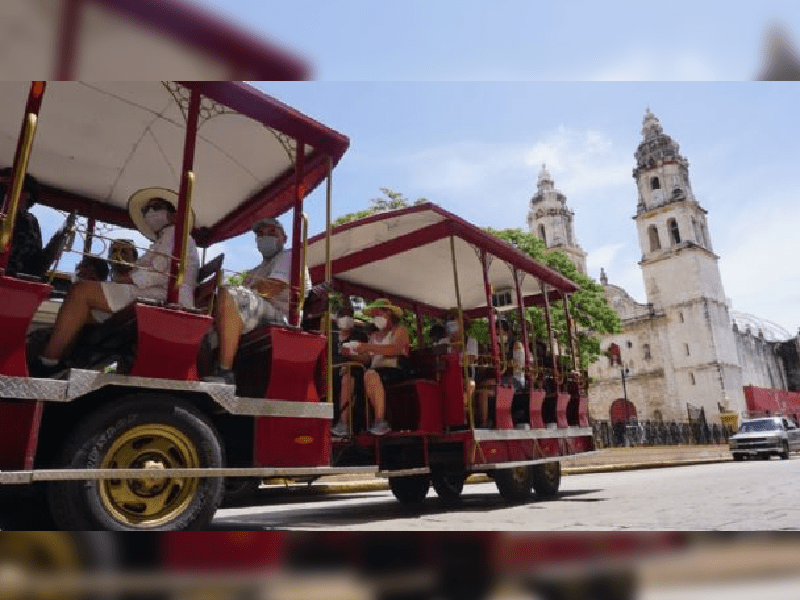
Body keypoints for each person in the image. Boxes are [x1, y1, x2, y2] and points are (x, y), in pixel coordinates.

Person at [31, 188, 199, 377]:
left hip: (166, 297)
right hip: (154, 294)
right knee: (82, 313)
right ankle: (63, 362)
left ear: (175, 215)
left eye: (157, 207)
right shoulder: (164, 239)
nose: (150, 213)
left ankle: (47, 363)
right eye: (146, 210)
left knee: (81, 291)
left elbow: (166, 274)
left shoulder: (177, 235)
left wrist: (130, 278)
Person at [203, 217, 310, 385]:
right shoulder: (256, 269)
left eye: (272, 233)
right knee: (209, 316)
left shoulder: (290, 255)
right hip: (259, 313)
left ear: (285, 239)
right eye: (261, 234)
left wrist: (247, 290)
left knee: (230, 293)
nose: (265, 237)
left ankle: (224, 371)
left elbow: (271, 288)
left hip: (281, 318)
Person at [336, 298, 409, 436]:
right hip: (374, 371)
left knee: (370, 374)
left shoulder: (400, 331)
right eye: (374, 315)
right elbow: (367, 359)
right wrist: (351, 354)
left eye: (379, 314)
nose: (376, 318)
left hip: (395, 370)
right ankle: (343, 422)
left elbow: (395, 349)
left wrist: (368, 347)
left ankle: (380, 420)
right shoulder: (374, 335)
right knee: (349, 376)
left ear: (388, 313)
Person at [0, 167, 71, 278]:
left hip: (16, 283)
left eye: (21, 189)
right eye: (5, 188)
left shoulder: (30, 222)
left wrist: (56, 246)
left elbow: (36, 264)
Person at [330, 301, 370, 437]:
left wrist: (352, 356)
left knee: (348, 377)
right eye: (343, 315)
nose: (346, 318)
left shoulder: (360, 336)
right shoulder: (331, 336)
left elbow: (366, 359)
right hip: (331, 373)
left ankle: (343, 424)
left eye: (349, 315)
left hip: (353, 372)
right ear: (337, 317)